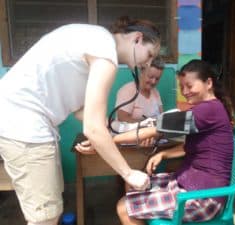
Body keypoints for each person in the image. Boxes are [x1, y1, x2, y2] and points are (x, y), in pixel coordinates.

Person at [0, 16, 160, 225]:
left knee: (51, 206)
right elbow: (92, 128)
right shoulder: (105, 53)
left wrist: (101, 130)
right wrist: (128, 174)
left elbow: (79, 109)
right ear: (137, 39)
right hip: (23, 125)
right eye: (149, 55)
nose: (147, 64)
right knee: (44, 217)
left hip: (22, 121)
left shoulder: (95, 38)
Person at [115, 59, 235, 224]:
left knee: (123, 207)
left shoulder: (209, 109)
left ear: (208, 83)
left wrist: (111, 140)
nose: (185, 91)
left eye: (190, 86)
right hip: (190, 183)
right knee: (134, 183)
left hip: (204, 197)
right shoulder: (208, 108)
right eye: (182, 87)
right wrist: (164, 154)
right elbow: (191, 146)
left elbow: (155, 129)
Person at [116, 56, 164, 122]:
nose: (153, 81)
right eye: (150, 77)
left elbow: (161, 116)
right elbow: (122, 118)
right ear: (141, 72)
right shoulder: (128, 90)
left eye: (157, 79)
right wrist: (145, 123)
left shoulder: (155, 92)